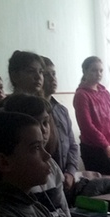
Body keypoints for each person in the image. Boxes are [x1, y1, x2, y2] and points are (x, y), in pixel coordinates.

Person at [0, 93, 84, 217]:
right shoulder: (15, 175)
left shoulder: (51, 166)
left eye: (46, 122)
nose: (43, 130)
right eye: (36, 123)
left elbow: (64, 214)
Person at [73, 56, 110, 175]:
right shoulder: (81, 95)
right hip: (94, 149)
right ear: (85, 71)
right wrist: (106, 146)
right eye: (94, 70)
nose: (98, 74)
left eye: (101, 71)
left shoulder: (105, 93)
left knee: (109, 181)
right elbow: (87, 126)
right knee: (98, 182)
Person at [8, 50, 59, 158]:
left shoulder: (43, 105)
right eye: (31, 71)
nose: (38, 77)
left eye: (40, 72)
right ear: (15, 76)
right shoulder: (6, 108)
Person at [42, 56, 80, 190]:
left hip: (65, 177)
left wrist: (70, 172)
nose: (53, 79)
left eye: (54, 74)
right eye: (47, 75)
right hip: (45, 180)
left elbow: (72, 145)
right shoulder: (34, 111)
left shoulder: (61, 110)